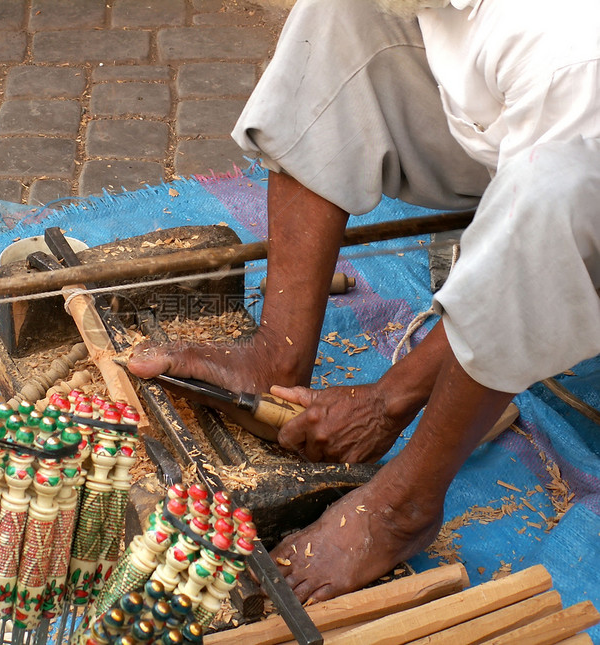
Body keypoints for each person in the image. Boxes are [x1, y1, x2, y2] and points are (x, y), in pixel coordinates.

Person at [129, 0, 600, 602]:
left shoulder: (567, 52)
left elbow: (547, 243)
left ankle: (404, 505)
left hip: (575, 168)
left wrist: (387, 399)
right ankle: (279, 352)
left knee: (543, 194)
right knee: (339, 16)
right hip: (516, 121)